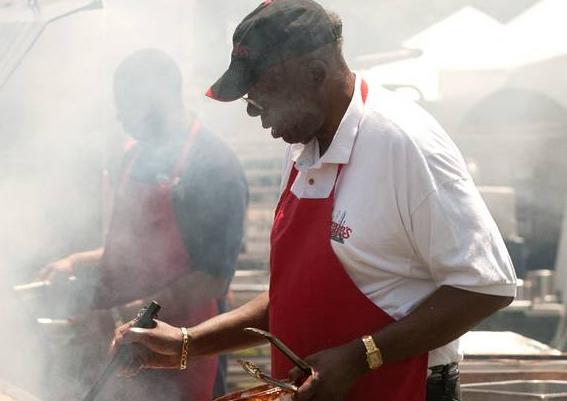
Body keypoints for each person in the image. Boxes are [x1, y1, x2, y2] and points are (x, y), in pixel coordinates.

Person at [109, 2, 516, 401]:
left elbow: (485, 285)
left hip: (405, 389)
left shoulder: (402, 143)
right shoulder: (303, 145)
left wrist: (361, 357)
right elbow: (292, 295)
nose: (257, 117)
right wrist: (187, 342)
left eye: (262, 101)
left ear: (315, 74)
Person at [39, 48, 248, 401]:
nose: (120, 117)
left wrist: (121, 313)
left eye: (126, 104)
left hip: (182, 355)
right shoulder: (135, 153)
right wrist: (78, 262)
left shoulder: (215, 167)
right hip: (121, 350)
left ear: (159, 99)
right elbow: (133, 249)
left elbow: (212, 279)